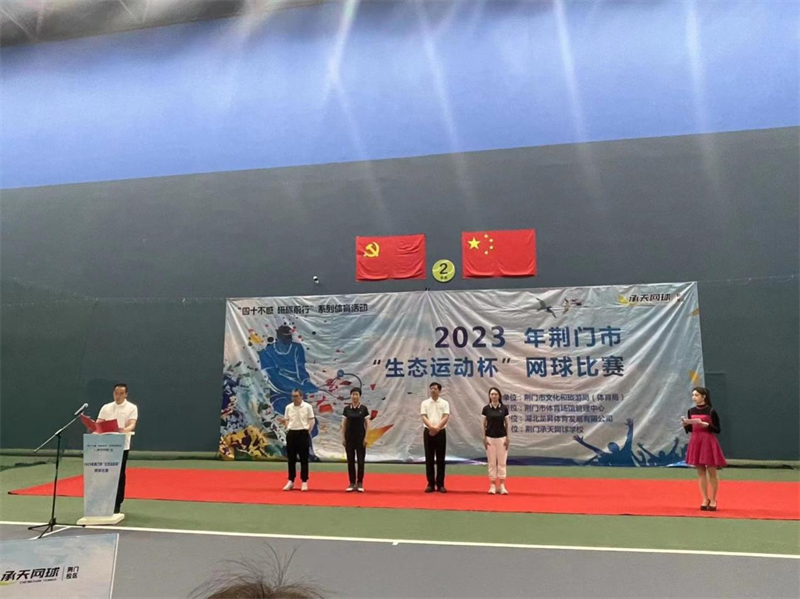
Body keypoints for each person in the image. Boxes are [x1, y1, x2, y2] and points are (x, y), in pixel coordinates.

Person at [681, 386, 726, 511]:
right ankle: (705, 498)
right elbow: (691, 429)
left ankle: (713, 499)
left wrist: (707, 425)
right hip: (696, 441)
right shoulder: (691, 411)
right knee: (700, 472)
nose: (694, 397)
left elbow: (717, 429)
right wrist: (685, 424)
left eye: (696, 395)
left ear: (703, 397)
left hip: (708, 441)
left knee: (712, 471)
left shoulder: (711, 411)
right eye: (693, 395)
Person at [97, 383, 138, 514]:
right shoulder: (106, 407)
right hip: (105, 444)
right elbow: (99, 422)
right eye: (116, 393)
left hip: (121, 445)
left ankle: (117, 503)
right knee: (104, 473)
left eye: (121, 393)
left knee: (119, 475)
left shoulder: (132, 407)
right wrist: (95, 428)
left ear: (126, 394)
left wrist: (124, 430)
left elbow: (132, 424)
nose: (118, 396)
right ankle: (103, 501)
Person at [282, 389, 315, 491]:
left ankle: (304, 481)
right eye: (293, 396)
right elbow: (286, 420)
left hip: (303, 433)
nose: (294, 398)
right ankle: (291, 480)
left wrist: (307, 431)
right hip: (292, 433)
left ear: (301, 396)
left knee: (304, 459)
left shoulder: (307, 407)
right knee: (291, 459)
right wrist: (289, 428)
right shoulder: (288, 407)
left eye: (296, 396)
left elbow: (311, 420)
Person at [420, 382, 450, 493]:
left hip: (440, 432)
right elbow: (424, 416)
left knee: (441, 459)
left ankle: (440, 484)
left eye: (435, 388)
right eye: (431, 388)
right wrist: (431, 428)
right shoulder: (425, 403)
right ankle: (430, 484)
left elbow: (446, 416)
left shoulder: (445, 403)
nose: (433, 390)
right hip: (428, 432)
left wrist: (437, 428)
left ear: (439, 391)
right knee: (429, 458)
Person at [481, 387, 510, 495]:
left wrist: (508, 438)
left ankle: (502, 485)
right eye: (492, 394)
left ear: (499, 396)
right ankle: (492, 485)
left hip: (502, 438)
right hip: (490, 438)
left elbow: (507, 424)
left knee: (502, 462)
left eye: (496, 394)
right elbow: (483, 424)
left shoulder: (504, 408)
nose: (494, 396)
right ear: (489, 396)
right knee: (492, 462)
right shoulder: (486, 409)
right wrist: (484, 438)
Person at [341, 387, 370, 492]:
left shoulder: (364, 409)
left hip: (360, 438)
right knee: (350, 461)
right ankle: (352, 483)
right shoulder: (346, 409)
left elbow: (368, 424)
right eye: (353, 394)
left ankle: (360, 482)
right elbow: (343, 425)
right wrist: (343, 437)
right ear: (351, 396)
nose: (355, 396)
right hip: (349, 438)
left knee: (361, 461)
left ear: (360, 396)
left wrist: (366, 437)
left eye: (357, 394)